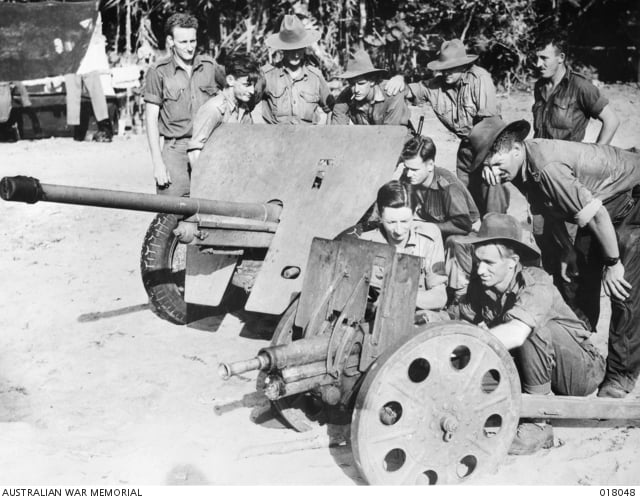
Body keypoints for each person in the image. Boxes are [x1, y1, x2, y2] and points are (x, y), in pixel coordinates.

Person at [473, 116, 640, 398]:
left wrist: (613, 264)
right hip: (603, 203)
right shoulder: (518, 169)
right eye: (488, 167)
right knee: (574, 277)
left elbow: (596, 214)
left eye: (498, 165)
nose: (494, 172)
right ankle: (578, 351)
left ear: (516, 149)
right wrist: (567, 249)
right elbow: (547, 207)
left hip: (632, 200)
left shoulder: (546, 167)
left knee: (623, 285)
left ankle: (620, 375)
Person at [449, 213, 605, 454]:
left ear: (512, 262)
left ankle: (539, 423)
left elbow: (517, 333)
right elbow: (460, 318)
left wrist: (474, 344)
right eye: (478, 261)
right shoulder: (481, 285)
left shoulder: (536, 282)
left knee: (530, 326)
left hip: (579, 372)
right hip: (532, 364)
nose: (480, 270)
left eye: (489, 263)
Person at [530, 34, 620, 325]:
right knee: (549, 253)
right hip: (543, 183)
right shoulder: (539, 87)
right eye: (535, 57)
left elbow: (612, 119)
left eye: (544, 57)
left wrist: (594, 155)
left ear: (561, 58)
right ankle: (559, 325)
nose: (538, 63)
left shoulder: (580, 86)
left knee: (574, 261)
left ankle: (582, 329)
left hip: (568, 182)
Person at [386, 39, 506, 214]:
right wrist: (398, 79)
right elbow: (407, 90)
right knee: (468, 200)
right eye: (443, 67)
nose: (447, 72)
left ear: (464, 66)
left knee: (492, 192)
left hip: (490, 144)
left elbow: (490, 124)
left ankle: (499, 234)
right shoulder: (435, 86)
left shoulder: (480, 78)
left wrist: (490, 160)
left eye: (452, 67)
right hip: (466, 147)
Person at [143, 13, 226, 196]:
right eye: (183, 42)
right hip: (175, 150)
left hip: (208, 147)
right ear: (170, 41)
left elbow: (232, 91)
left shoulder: (210, 66)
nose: (189, 48)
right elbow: (150, 120)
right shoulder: (158, 72)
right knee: (170, 211)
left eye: (192, 41)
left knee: (211, 209)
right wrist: (158, 163)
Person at [360, 181, 448, 314]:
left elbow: (440, 297)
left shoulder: (428, 237)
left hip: (418, 314)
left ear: (415, 212)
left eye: (405, 221)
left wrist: (399, 295)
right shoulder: (367, 243)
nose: (399, 231)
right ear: (379, 214)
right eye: (391, 222)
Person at [255, 15, 333, 125]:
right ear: (283, 49)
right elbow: (246, 104)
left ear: (305, 48)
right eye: (291, 49)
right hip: (276, 138)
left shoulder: (315, 77)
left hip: (308, 138)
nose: (296, 55)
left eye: (299, 49)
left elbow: (331, 109)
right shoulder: (267, 75)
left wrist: (328, 135)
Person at [400, 135, 480, 240]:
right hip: (433, 224)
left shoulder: (449, 187)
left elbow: (463, 226)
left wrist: (426, 228)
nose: (409, 174)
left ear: (430, 165)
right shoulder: (409, 176)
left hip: (464, 234)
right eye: (407, 168)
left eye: (414, 169)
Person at [187, 53, 259, 165]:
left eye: (253, 86)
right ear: (230, 80)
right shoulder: (214, 108)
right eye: (247, 85)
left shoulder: (243, 109)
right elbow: (194, 152)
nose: (252, 91)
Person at [331, 50, 411, 128]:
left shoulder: (392, 92)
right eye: (352, 84)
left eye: (361, 84)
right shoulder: (345, 97)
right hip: (369, 138)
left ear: (372, 81)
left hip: (399, 137)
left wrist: (400, 78)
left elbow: (391, 134)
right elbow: (337, 130)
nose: (356, 90)